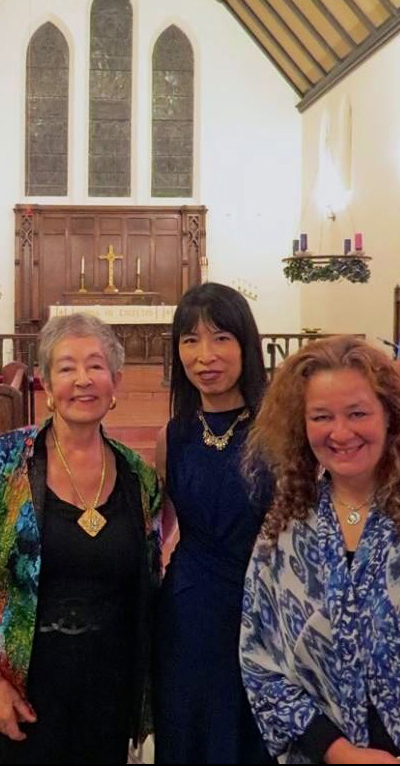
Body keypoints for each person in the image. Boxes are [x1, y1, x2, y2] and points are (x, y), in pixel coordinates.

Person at [0, 313, 162, 765]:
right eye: (67, 367)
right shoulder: (3, 460)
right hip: (24, 687)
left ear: (115, 382)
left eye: (96, 366)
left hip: (109, 687)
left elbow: (147, 580)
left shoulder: (137, 476)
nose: (82, 380)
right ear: (46, 383)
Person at [240, 335, 400, 765]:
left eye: (358, 413)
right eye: (322, 416)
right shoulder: (287, 525)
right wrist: (336, 750)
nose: (341, 432)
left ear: (391, 416)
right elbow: (260, 659)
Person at [153, 282, 273, 765]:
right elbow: (155, 528)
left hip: (265, 613)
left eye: (221, 338)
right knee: (190, 736)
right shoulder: (174, 435)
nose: (206, 355)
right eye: (190, 340)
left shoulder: (279, 429)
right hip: (189, 615)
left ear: (246, 344)